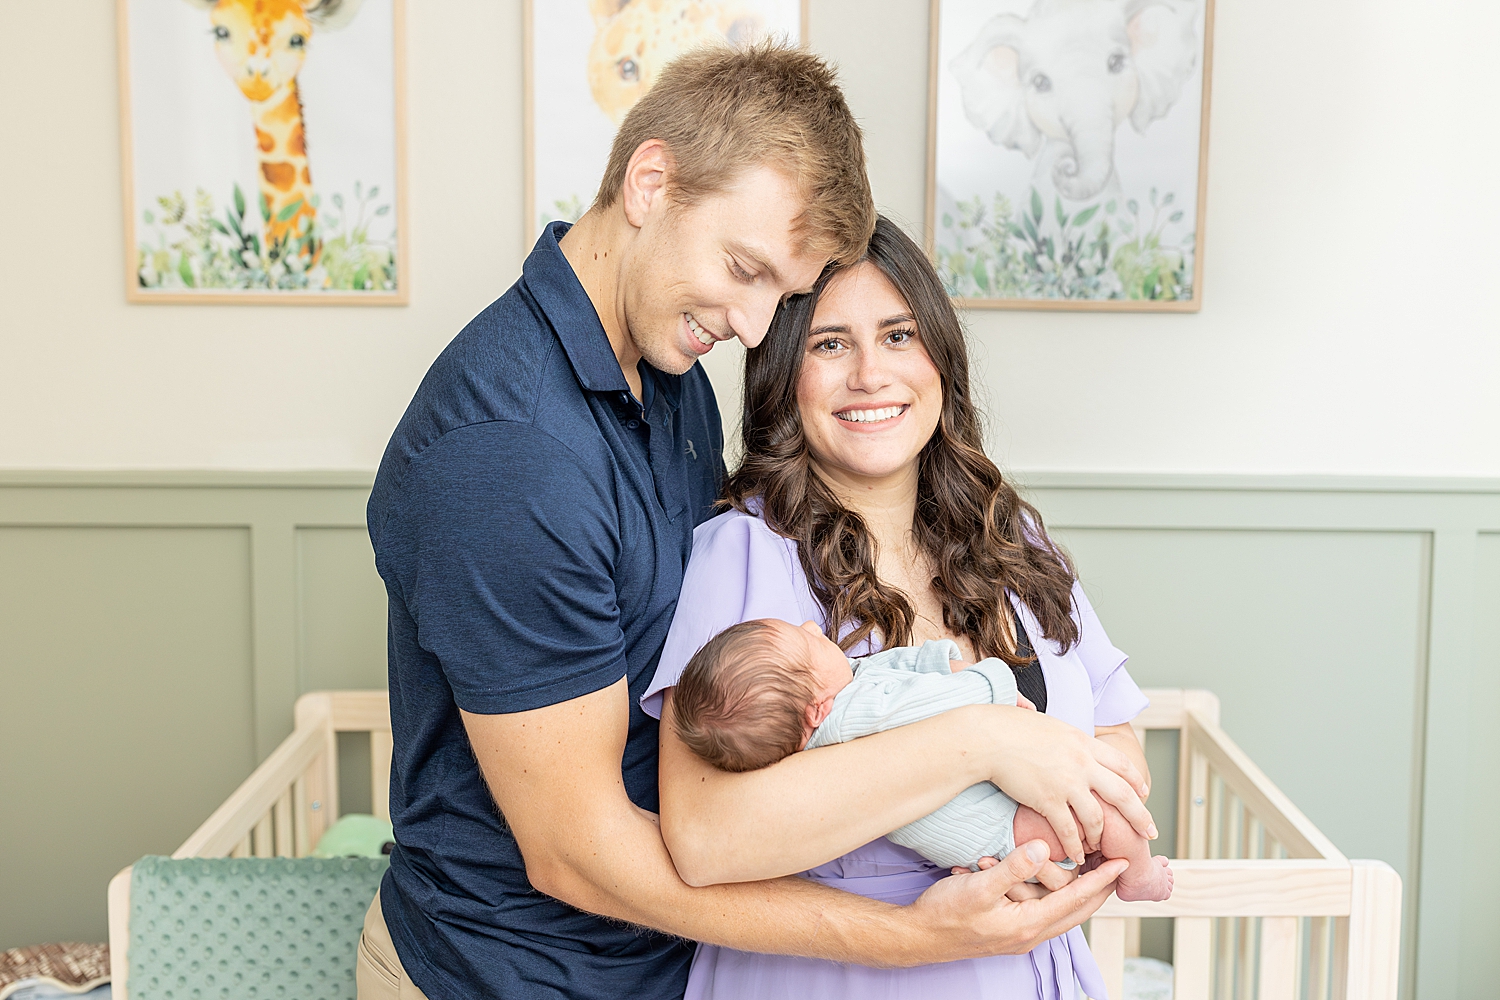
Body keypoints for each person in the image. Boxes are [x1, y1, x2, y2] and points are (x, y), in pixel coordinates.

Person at [362, 40, 1151, 1000]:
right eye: (745, 270)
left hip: (655, 958)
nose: (749, 326)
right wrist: (912, 935)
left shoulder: (669, 376)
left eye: (776, 293)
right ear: (649, 182)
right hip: (513, 974)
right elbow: (577, 855)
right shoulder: (506, 454)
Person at [641, 215, 1158, 999]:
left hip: (1031, 970)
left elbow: (1119, 739)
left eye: (897, 335)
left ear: (939, 358)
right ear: (784, 376)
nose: (870, 376)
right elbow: (708, 837)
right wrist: (983, 741)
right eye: (829, 344)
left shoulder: (1010, 537)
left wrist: (1053, 840)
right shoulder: (746, 554)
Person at [672, 618, 1174, 899]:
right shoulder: (853, 716)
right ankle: (1137, 878)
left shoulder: (846, 693)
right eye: (807, 641)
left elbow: (897, 669)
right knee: (1106, 815)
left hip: (993, 830)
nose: (811, 624)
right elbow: (940, 704)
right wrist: (996, 688)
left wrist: (937, 660)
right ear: (816, 712)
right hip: (996, 825)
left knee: (1092, 817)